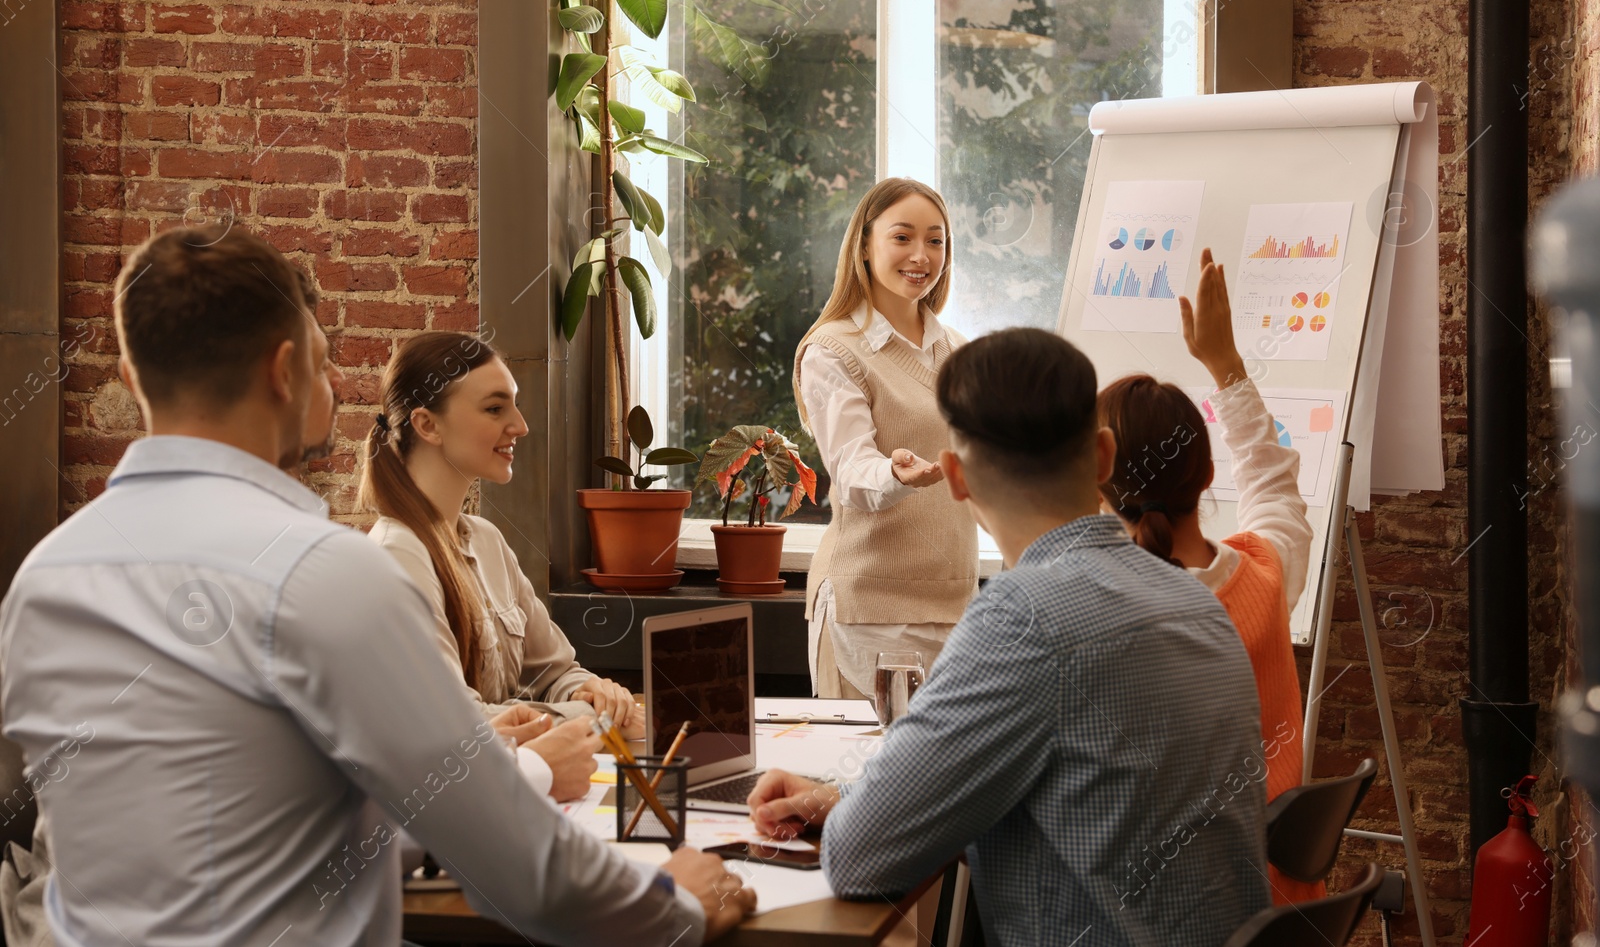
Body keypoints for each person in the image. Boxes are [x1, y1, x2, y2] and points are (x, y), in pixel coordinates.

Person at [0, 223, 755, 946]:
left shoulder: (41, 583)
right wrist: (673, 908)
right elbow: (526, 874)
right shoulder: (326, 574)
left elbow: (259, 844)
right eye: (324, 361)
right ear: (284, 369)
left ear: (132, 376)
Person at [751, 328, 1269, 946]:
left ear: (956, 477)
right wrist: (843, 796)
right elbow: (1080, 797)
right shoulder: (1198, 602)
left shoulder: (1021, 621)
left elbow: (862, 859)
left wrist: (860, 813)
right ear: (1104, 458)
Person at [1096, 247, 1318, 906]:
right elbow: (1274, 484)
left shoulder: (1106, 615)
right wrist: (1225, 365)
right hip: (1274, 908)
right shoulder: (1264, 576)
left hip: (1181, 914)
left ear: (1098, 481)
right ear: (1208, 475)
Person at [360, 331, 640, 801]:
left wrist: (588, 693)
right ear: (428, 425)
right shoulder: (395, 556)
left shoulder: (486, 540)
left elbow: (556, 672)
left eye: (514, 405)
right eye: (495, 409)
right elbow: (458, 729)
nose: (521, 425)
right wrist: (595, 717)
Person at [792, 177, 980, 699]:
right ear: (865, 245)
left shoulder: (961, 353)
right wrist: (895, 473)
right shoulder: (833, 350)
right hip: (869, 610)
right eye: (902, 237)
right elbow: (851, 472)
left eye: (936, 240)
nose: (921, 255)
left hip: (956, 604)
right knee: (859, 780)